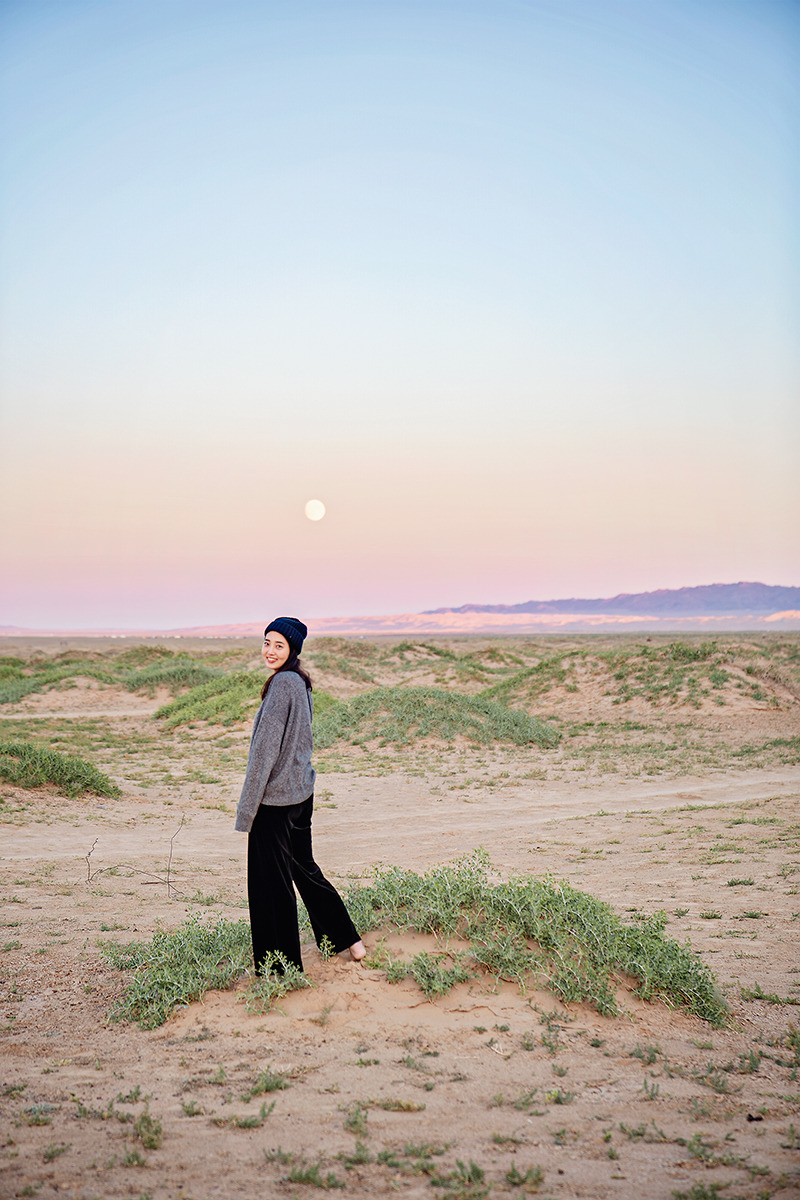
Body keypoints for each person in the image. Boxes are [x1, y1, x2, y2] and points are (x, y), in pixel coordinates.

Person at [235, 616, 366, 975]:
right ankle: (349, 941)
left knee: (270, 886)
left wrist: (247, 811)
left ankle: (279, 970)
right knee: (305, 871)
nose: (270, 651)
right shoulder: (300, 682)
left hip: (275, 802)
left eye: (279, 645)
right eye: (266, 642)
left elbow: (264, 753)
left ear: (292, 649)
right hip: (300, 794)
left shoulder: (282, 685)